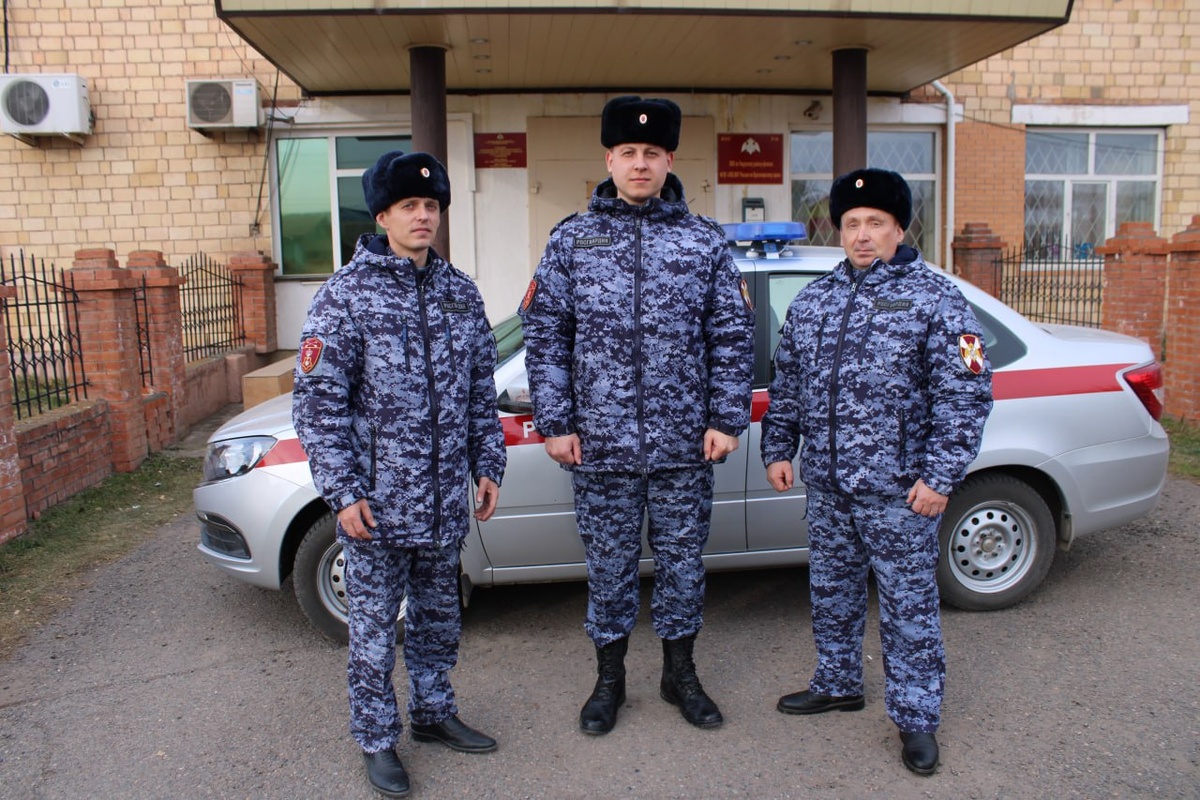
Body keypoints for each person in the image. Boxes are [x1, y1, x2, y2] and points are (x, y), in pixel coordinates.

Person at [518, 96, 755, 735]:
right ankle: (610, 681)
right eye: (628, 152)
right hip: (601, 447)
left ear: (670, 159)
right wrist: (556, 422)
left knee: (683, 566)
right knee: (609, 568)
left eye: (652, 153)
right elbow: (545, 334)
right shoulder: (572, 240)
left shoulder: (703, 241)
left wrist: (726, 418)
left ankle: (680, 675)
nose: (640, 163)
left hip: (685, 446)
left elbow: (732, 335)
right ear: (610, 160)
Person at [760, 168, 993, 776]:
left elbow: (966, 395)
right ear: (839, 230)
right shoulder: (814, 301)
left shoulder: (936, 300)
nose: (863, 235)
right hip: (830, 487)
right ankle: (837, 683)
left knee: (908, 608)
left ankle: (916, 718)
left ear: (899, 228)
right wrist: (778, 448)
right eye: (852, 223)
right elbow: (788, 384)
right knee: (832, 593)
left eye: (876, 223)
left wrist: (940, 477)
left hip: (901, 492)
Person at [292, 151, 506, 798]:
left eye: (431, 205)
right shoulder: (345, 296)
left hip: (441, 504)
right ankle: (377, 737)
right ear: (382, 215)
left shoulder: (460, 293)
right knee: (374, 631)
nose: (422, 216)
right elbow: (318, 404)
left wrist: (488, 464)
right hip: (376, 509)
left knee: (439, 619)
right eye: (409, 205)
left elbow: (480, 391)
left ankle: (434, 713)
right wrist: (343, 492)